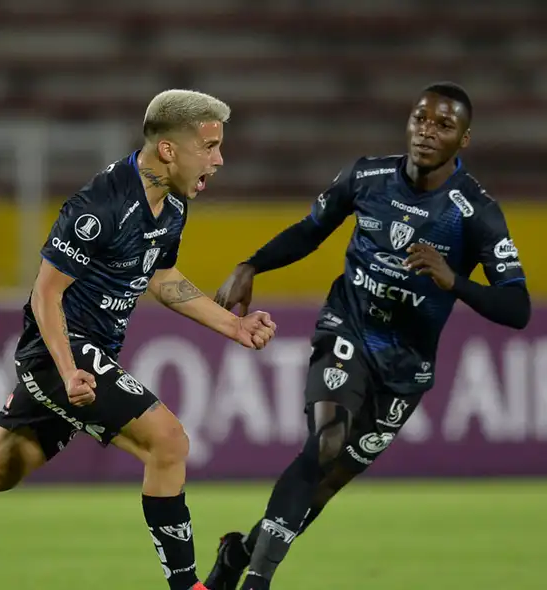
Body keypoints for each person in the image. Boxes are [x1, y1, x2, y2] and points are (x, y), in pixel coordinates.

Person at [0, 89, 278, 590]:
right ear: (169, 150)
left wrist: (232, 326)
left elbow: (160, 276)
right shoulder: (100, 205)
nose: (219, 159)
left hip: (88, 357)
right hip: (60, 352)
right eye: (211, 146)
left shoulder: (174, 204)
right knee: (169, 442)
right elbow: (45, 294)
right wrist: (68, 369)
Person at [203, 82, 531, 590]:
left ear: (464, 139)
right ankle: (257, 582)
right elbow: (312, 229)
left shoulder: (475, 212)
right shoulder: (367, 176)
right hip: (349, 328)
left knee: (326, 483)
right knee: (327, 439)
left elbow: (518, 308)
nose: (427, 131)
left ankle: (239, 554)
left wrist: (455, 281)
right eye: (420, 118)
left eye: (443, 125)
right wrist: (253, 265)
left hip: (406, 368)